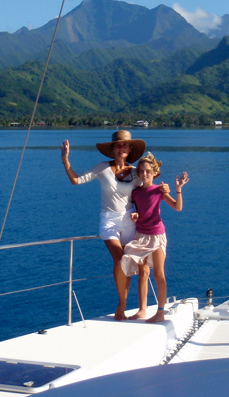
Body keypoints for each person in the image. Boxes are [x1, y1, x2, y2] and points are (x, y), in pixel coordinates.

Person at [61, 130, 145, 321]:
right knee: (120, 259)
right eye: (118, 145)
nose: (121, 147)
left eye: (125, 144)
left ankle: (128, 304)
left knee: (128, 262)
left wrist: (165, 192)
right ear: (113, 149)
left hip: (129, 222)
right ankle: (121, 304)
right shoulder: (102, 168)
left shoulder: (135, 173)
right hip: (109, 222)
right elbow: (76, 180)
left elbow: (144, 195)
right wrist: (66, 160)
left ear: (130, 148)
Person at [121, 151, 188, 323]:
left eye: (148, 172)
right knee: (143, 272)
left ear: (155, 173)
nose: (144, 174)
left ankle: (160, 312)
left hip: (156, 236)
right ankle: (142, 310)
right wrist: (135, 214)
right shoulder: (135, 193)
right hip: (141, 235)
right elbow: (137, 210)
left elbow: (177, 207)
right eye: (142, 171)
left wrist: (178, 190)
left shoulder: (159, 190)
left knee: (159, 274)